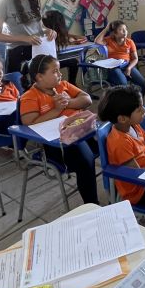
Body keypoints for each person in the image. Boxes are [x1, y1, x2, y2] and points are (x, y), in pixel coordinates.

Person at [19, 54, 99, 204]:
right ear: (39, 77)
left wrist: (68, 102)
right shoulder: (30, 97)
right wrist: (56, 110)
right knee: (86, 162)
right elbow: (30, 124)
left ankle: (122, 192)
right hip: (59, 146)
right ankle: (93, 205)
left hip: (83, 132)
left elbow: (87, 99)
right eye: (55, 71)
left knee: (112, 143)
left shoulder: (63, 85)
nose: (60, 74)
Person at [94, 20, 145, 95]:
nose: (125, 32)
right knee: (123, 84)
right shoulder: (108, 40)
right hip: (113, 67)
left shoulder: (130, 42)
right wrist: (106, 29)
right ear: (114, 33)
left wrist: (129, 68)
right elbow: (97, 41)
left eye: (126, 29)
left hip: (127, 65)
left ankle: (139, 101)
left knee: (142, 83)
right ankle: (125, 101)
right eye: (121, 30)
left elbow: (135, 58)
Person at [42, 10, 87, 85]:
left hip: (51, 61)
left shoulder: (51, 31)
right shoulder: (48, 34)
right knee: (73, 62)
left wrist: (74, 37)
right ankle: (71, 84)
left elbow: (63, 35)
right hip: (46, 64)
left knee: (73, 62)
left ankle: (72, 84)